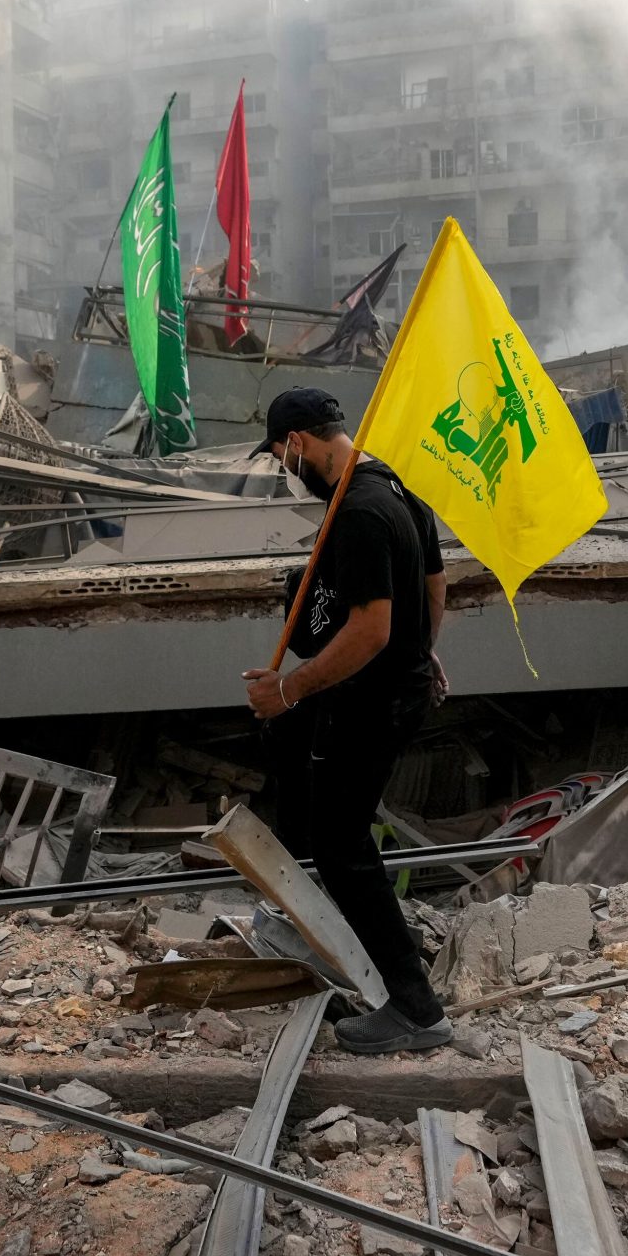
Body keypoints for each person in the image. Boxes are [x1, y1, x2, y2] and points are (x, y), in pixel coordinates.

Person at [242, 387, 453, 1053]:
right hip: (401, 686)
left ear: (299, 443)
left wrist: (290, 691)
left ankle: (416, 1010)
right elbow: (435, 581)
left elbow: (369, 628)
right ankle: (400, 964)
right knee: (341, 835)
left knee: (338, 845)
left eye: (281, 456)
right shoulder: (392, 484)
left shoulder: (357, 512)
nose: (285, 469)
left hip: (374, 698)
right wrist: (424, 647)